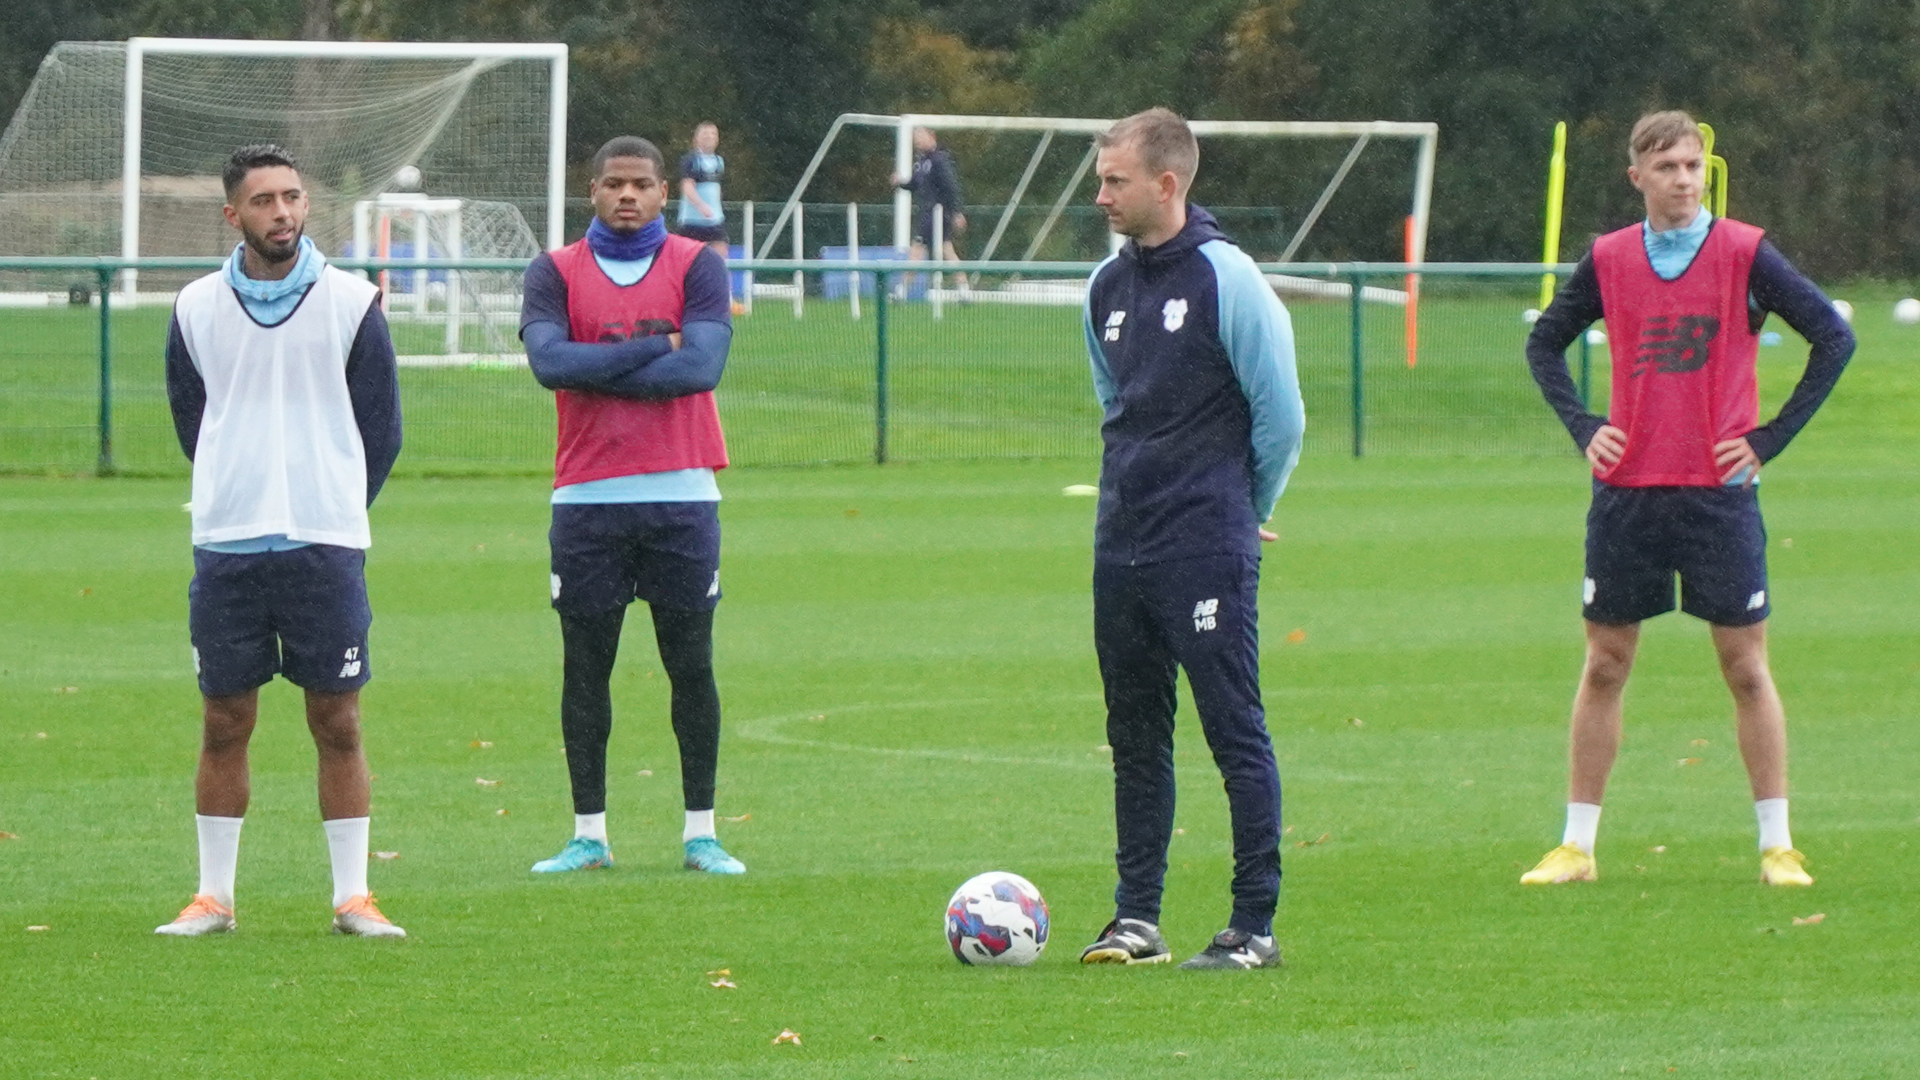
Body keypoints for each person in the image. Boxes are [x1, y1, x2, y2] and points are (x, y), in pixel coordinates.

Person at [1522, 110, 1853, 888]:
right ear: (1637, 177)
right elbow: (1545, 342)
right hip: (1627, 495)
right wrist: (1584, 426)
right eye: (1666, 167)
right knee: (1605, 663)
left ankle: (1777, 845)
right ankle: (1577, 846)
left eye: (1692, 166)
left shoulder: (1744, 253)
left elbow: (1833, 338)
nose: (1682, 179)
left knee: (1744, 666)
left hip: (1719, 497)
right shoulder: (1608, 259)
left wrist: (1768, 439)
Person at [1076, 108, 1305, 970]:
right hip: (1121, 544)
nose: (1101, 195)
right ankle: (1137, 917)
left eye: (1115, 180)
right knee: (1135, 734)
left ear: (1167, 183)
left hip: (1204, 543)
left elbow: (1281, 415)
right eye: (1102, 179)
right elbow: (1117, 404)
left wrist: (1243, 509)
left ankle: (1254, 926)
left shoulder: (1228, 278)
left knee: (1232, 728)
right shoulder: (1105, 286)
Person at [158, 143, 404, 938]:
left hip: (324, 544)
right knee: (224, 721)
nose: (283, 213)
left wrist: (328, 500)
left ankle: (353, 898)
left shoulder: (351, 302)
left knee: (338, 720)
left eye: (293, 197)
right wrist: (239, 483)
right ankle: (214, 898)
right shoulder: (194, 305)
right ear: (233, 214)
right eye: (264, 201)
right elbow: (194, 417)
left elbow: (381, 431)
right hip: (228, 542)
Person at [518, 135, 745, 877]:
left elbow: (703, 367)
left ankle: (701, 833)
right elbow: (551, 364)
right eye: (613, 182)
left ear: (661, 194)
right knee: (586, 670)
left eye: (641, 184)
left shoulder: (697, 265)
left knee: (691, 666)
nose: (627, 195)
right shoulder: (553, 270)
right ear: (592, 191)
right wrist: (657, 346)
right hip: (587, 500)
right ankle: (589, 834)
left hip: (682, 496)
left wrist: (598, 366)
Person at [893, 126, 966, 265]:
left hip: (937, 213)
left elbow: (951, 186)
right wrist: (900, 183)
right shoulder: (921, 162)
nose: (917, 142)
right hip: (928, 212)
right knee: (946, 249)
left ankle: (903, 286)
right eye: (915, 139)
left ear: (931, 136)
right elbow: (914, 184)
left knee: (917, 248)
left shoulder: (939, 160)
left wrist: (956, 211)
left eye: (920, 138)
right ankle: (963, 285)